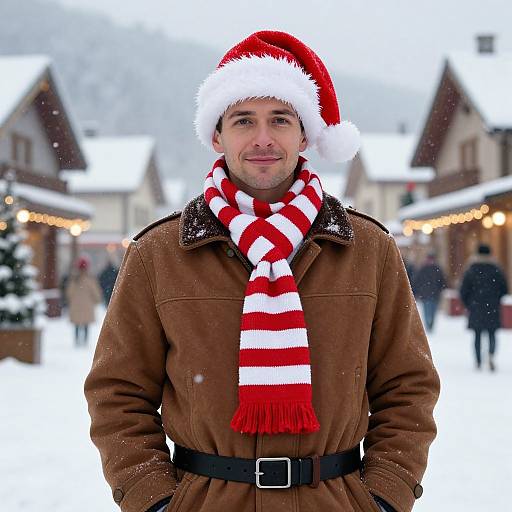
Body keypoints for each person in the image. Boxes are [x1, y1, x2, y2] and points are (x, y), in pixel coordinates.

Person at [85, 31, 439, 512]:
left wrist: (384, 497)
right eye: (243, 120)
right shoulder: (160, 253)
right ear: (217, 134)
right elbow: (117, 392)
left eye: (280, 119)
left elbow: (408, 385)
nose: (263, 139)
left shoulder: (367, 248)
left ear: (305, 134)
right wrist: (154, 501)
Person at [459, 243, 508, 371]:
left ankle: (478, 360)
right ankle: (491, 355)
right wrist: (495, 299)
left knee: (477, 335)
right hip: (492, 307)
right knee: (492, 333)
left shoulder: (471, 269)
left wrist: (468, 303)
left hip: (476, 307)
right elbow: (504, 289)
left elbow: (464, 290)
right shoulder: (496, 269)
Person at [66, 256, 102, 347]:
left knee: (77, 325)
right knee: (86, 324)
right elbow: (96, 293)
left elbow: (69, 293)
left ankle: (77, 341)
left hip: (76, 306)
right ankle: (85, 341)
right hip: (87, 306)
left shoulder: (74, 279)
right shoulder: (90, 279)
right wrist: (97, 300)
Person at [412, 252, 447, 332]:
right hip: (425, 294)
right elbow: (417, 281)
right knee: (427, 311)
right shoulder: (423, 269)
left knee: (433, 311)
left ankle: (431, 325)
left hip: (435, 294)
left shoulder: (437, 269)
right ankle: (428, 325)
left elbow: (443, 281)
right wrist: (416, 291)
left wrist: (441, 288)